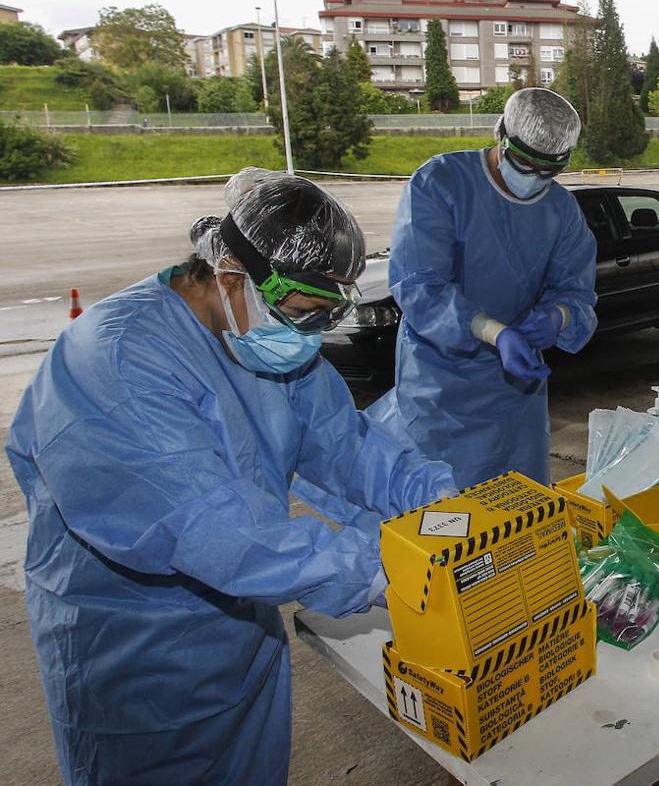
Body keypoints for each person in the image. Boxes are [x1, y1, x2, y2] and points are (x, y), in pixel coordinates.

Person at [7, 169, 456, 785]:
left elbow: (345, 446)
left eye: (325, 317)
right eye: (302, 313)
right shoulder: (117, 361)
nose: (310, 335)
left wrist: (440, 500)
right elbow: (209, 525)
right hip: (137, 657)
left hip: (241, 631)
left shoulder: (257, 337)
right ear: (230, 275)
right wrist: (386, 571)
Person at [366, 87, 598, 489]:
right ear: (500, 136)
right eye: (525, 164)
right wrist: (493, 331)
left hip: (516, 396)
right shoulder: (440, 184)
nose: (535, 180)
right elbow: (420, 287)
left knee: (517, 507)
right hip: (440, 390)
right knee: (443, 515)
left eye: (550, 171)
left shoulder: (560, 210)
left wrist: (558, 318)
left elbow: (577, 293)